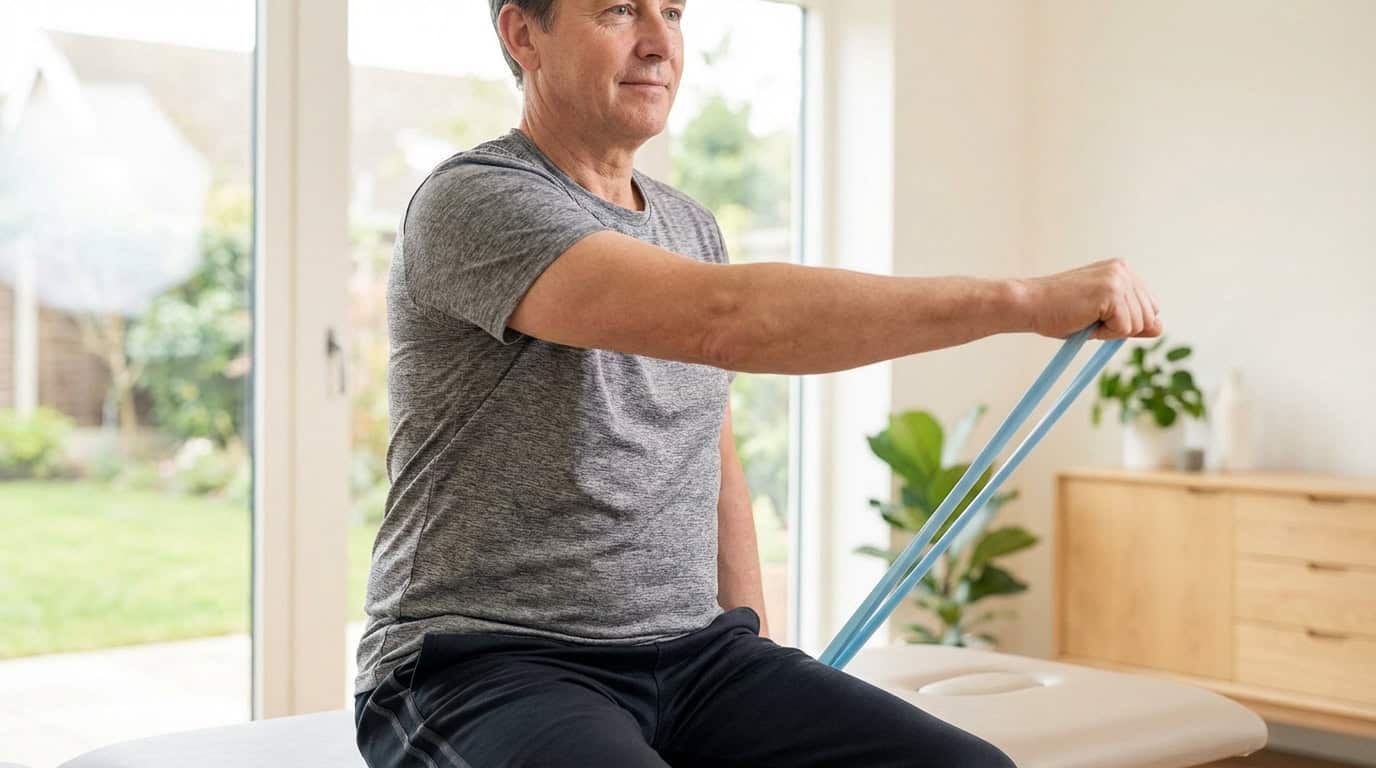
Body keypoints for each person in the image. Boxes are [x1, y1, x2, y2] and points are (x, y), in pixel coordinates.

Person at [352, 1, 1162, 765]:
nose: (659, 41)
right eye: (618, 10)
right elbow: (726, 318)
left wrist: (757, 653)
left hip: (698, 658)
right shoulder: (476, 200)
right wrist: (1017, 301)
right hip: (485, 662)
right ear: (523, 35)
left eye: (671, 11)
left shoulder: (687, 225)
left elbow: (710, 451)